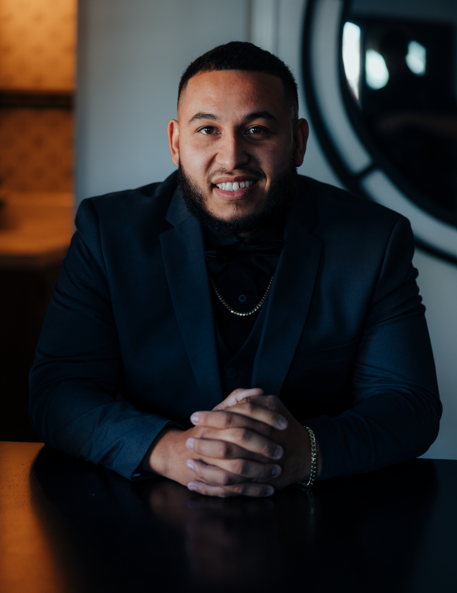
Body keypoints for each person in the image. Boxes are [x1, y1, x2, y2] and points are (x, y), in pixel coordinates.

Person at [29, 42, 441, 498]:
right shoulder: (106, 232)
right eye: (207, 130)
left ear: (298, 141)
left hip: (323, 515)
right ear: (175, 143)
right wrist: (174, 451)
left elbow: (410, 405)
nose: (231, 157)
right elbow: (58, 392)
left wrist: (302, 453)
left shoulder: (375, 240)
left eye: (256, 130)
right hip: (140, 508)